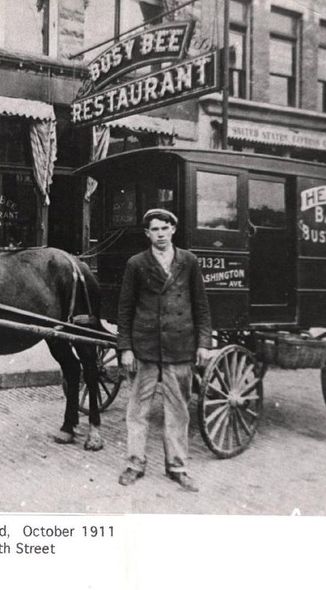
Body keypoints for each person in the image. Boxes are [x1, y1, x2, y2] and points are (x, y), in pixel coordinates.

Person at [117, 208, 212, 492]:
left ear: (173, 230)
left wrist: (204, 344)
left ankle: (177, 467)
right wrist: (125, 348)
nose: (159, 234)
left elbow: (201, 306)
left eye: (164, 228)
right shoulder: (136, 264)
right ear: (147, 234)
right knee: (137, 411)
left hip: (179, 347)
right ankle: (135, 463)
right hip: (145, 348)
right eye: (154, 229)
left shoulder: (189, 262)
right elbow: (124, 309)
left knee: (178, 411)